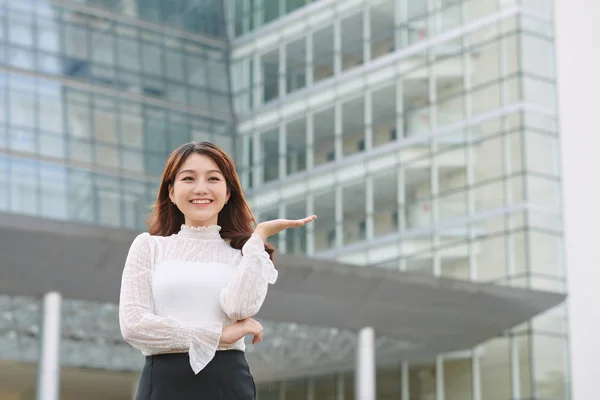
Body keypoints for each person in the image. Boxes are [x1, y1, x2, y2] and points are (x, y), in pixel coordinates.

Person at [118, 141, 316, 399]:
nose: (201, 188)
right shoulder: (149, 247)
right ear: (171, 192)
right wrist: (218, 334)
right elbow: (134, 327)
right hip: (163, 384)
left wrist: (258, 238)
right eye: (188, 178)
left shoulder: (244, 255)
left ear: (228, 193)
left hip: (228, 381)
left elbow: (240, 309)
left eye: (213, 178)